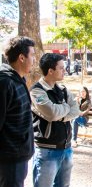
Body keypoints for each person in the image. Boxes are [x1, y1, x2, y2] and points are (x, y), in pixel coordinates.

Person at [30, 53, 80, 187]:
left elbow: (76, 110)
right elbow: (51, 113)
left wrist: (61, 114)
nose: (65, 70)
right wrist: (65, 107)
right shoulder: (36, 91)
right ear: (50, 71)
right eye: (61, 68)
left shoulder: (63, 89)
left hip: (66, 148)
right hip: (47, 150)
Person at [0, 36, 35, 187]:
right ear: (21, 57)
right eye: (32, 55)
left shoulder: (18, 80)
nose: (34, 59)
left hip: (19, 157)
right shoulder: (5, 82)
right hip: (9, 159)